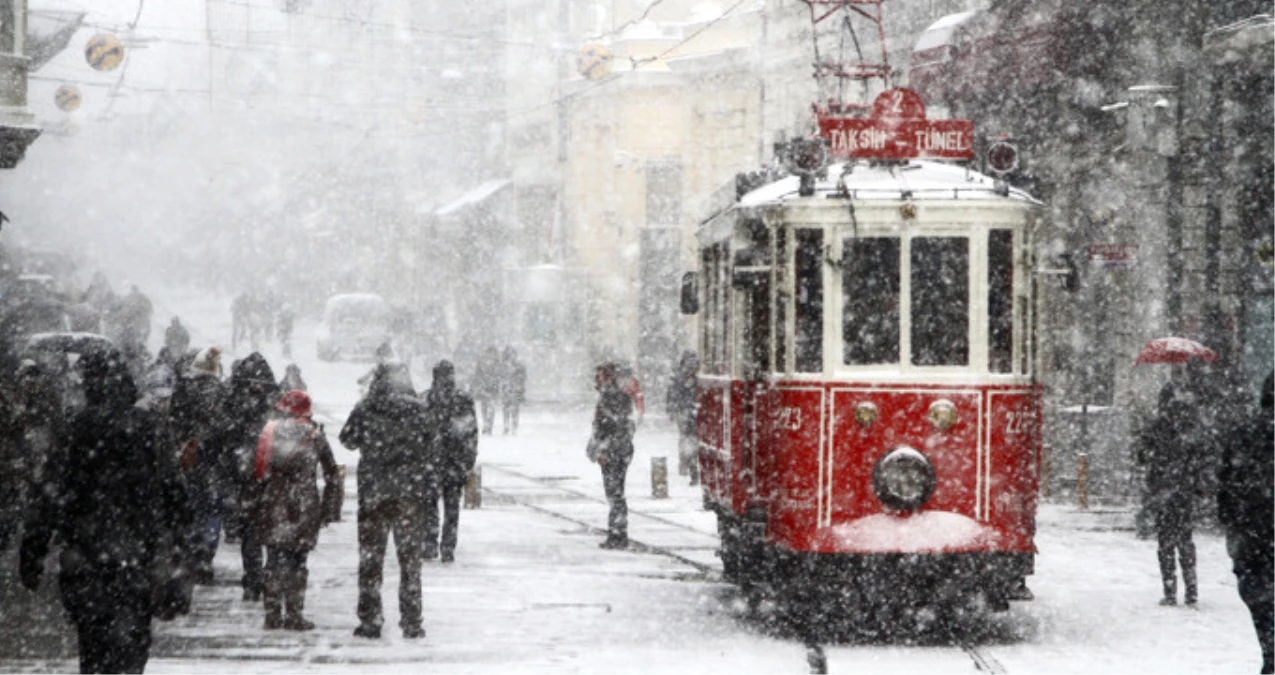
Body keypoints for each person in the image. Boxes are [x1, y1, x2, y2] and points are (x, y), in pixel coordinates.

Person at [20, 349, 191, 675]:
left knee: (93, 638)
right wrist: (181, 547)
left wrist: (33, 552)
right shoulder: (150, 429)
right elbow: (174, 492)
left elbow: (48, 495)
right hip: (138, 550)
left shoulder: (75, 429)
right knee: (133, 636)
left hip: (85, 553)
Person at [339, 364, 431, 640]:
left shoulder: (366, 407)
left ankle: (370, 619)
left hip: (374, 492)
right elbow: (432, 444)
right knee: (410, 561)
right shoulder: (418, 410)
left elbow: (348, 439)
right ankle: (412, 620)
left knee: (370, 559)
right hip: (409, 494)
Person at [251, 390, 339, 631]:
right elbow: (332, 473)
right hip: (305, 503)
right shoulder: (315, 435)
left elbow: (257, 469)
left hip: (274, 500)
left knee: (273, 559)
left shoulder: (270, 431)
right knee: (298, 561)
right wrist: (330, 510)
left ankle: (271, 615)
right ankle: (294, 614)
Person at [1220, 369, 1275, 675]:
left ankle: (1270, 655)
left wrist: (1233, 527)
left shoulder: (1243, 433)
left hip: (1253, 536)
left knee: (1262, 605)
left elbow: (1225, 488)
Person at [216, 352, 279, 601]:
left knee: (254, 530)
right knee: (264, 530)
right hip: (264, 475)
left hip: (250, 475)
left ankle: (255, 579)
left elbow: (220, 437)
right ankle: (262, 577)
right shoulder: (272, 403)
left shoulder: (233, 403)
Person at [1139, 381, 1205, 606]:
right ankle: (1192, 589)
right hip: (1183, 491)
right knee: (1185, 539)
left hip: (1163, 489)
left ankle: (1170, 591)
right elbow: (1199, 458)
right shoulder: (1189, 425)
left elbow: (1142, 455)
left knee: (1166, 542)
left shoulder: (1155, 426)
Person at [169, 346, 227, 584]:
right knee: (213, 508)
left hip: (188, 458)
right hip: (214, 459)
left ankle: (192, 549)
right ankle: (207, 547)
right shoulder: (222, 391)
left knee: (191, 505)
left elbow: (174, 421)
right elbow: (227, 426)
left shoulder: (183, 388)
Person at [421, 360, 478, 562]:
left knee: (430, 505)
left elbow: (419, 432)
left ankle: (431, 543)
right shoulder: (462, 399)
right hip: (453, 461)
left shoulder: (426, 399)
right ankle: (446, 547)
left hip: (433, 461)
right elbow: (471, 432)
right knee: (450, 508)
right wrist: (468, 460)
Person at [588, 362, 636, 550]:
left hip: (614, 452)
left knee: (614, 493)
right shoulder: (616, 396)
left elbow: (611, 426)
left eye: (599, 376)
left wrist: (604, 449)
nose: (596, 380)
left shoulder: (610, 397)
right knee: (616, 493)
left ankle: (617, 534)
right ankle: (617, 532)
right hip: (620, 451)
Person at [665, 350, 699, 486]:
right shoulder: (694, 375)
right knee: (690, 439)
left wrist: (671, 409)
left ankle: (687, 463)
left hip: (685, 411)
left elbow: (672, 393)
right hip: (692, 410)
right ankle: (690, 464)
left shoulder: (679, 375)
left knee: (686, 438)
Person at [473, 346, 500, 434]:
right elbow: (477, 375)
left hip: (493, 389)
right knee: (484, 407)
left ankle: (489, 426)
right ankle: (486, 424)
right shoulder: (481, 363)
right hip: (484, 388)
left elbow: (500, 376)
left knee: (491, 408)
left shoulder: (497, 364)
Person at [499, 346, 526, 435]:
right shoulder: (503, 365)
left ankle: (514, 427)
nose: (512, 356)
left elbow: (524, 377)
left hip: (515, 389)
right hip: (506, 388)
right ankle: (506, 426)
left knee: (515, 409)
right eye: (510, 354)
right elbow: (499, 375)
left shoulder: (520, 365)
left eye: (513, 354)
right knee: (506, 408)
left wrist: (518, 382)